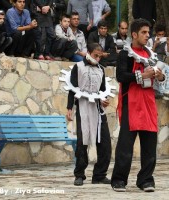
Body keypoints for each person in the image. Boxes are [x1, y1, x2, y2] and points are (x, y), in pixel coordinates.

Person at [111, 18, 165, 192]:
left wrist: (159, 76)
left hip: (148, 102)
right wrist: (142, 75)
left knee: (150, 144)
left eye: (148, 32)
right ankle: (119, 180)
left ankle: (146, 180)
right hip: (131, 102)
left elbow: (157, 77)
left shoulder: (151, 54)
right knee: (125, 146)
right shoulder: (125, 54)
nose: (147, 35)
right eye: (143, 32)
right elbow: (121, 76)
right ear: (134, 34)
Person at [67, 43, 112, 186]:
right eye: (95, 55)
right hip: (83, 106)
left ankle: (99, 174)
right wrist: (69, 107)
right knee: (82, 141)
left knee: (105, 143)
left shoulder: (101, 70)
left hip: (98, 109)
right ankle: (79, 174)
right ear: (89, 53)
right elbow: (72, 88)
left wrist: (105, 101)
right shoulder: (78, 67)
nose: (98, 59)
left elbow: (103, 91)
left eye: (100, 56)